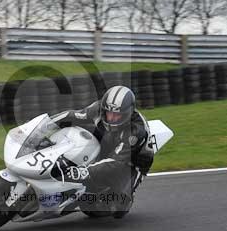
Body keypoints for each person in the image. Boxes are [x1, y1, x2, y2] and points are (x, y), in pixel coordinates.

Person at [50, 85, 153, 218]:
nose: (111, 118)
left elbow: (116, 162)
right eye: (108, 113)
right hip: (109, 141)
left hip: (132, 161)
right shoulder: (98, 109)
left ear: (128, 113)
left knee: (118, 207)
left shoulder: (136, 131)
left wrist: (84, 171)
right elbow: (72, 115)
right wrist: (47, 123)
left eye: (117, 115)